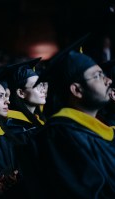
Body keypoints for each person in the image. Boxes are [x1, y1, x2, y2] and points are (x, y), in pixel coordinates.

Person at [34, 34, 115, 198]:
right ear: (77, 90)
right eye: (98, 76)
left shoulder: (93, 129)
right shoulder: (61, 135)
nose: (108, 81)